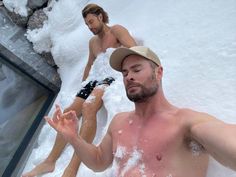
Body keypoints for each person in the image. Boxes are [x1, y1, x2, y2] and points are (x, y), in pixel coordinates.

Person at [45, 46, 236, 177]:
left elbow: (226, 141)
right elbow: (98, 161)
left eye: (136, 69)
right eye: (125, 73)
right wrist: (73, 137)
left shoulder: (185, 123)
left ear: (158, 73)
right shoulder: (119, 122)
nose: (129, 77)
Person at [22, 4, 136, 177]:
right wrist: (83, 85)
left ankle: (72, 168)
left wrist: (124, 68)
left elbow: (133, 49)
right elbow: (90, 64)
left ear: (100, 16)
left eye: (91, 22)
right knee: (69, 112)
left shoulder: (116, 31)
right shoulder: (93, 42)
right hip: (95, 78)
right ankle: (49, 161)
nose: (90, 27)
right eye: (87, 24)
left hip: (111, 75)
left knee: (89, 107)